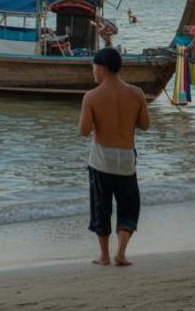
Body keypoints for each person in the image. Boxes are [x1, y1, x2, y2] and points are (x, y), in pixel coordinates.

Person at [79, 47, 150, 266]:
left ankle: (104, 255)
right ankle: (121, 252)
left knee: (101, 208)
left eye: (93, 67)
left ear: (102, 68)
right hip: (126, 160)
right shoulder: (136, 93)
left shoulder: (91, 96)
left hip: (101, 160)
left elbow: (83, 130)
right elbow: (145, 125)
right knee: (128, 208)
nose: (93, 71)